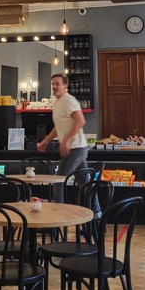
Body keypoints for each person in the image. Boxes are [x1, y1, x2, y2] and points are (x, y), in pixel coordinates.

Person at [37, 73, 87, 202]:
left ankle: (58, 212)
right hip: (77, 147)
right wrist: (46, 141)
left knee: (58, 181)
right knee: (85, 183)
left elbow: (80, 121)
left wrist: (66, 140)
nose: (54, 86)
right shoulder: (57, 102)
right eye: (53, 84)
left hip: (75, 148)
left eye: (57, 84)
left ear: (65, 85)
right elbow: (58, 127)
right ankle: (97, 212)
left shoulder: (68, 100)